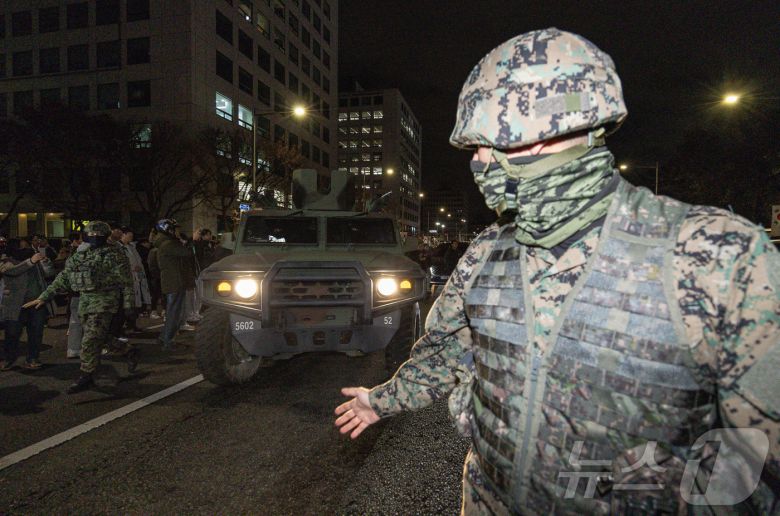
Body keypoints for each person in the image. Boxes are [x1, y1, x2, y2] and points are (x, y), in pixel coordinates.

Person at [335, 29, 780, 514]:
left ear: (540, 131)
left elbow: (759, 463)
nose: (477, 163)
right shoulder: (488, 252)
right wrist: (382, 400)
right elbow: (445, 352)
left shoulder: (715, 256)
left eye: (482, 145)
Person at [23, 221, 139, 393]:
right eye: (91, 235)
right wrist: (44, 297)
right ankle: (127, 350)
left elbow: (126, 282)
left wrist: (129, 306)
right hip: (84, 301)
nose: (94, 238)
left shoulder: (114, 254)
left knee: (90, 339)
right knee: (98, 336)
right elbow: (64, 277)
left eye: (97, 235)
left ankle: (87, 375)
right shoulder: (80, 255)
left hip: (105, 301)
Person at [0, 246, 55, 371]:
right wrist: (30, 261)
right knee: (12, 333)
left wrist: (45, 262)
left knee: (36, 332)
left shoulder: (35, 260)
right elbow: (12, 271)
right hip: (15, 304)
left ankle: (32, 358)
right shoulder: (6, 261)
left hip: (36, 302)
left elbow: (49, 273)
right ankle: (9, 359)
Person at [152, 219, 195, 350]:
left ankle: (164, 338)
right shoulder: (169, 244)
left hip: (173, 281)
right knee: (174, 313)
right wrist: (190, 241)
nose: (178, 232)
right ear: (168, 230)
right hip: (175, 282)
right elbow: (188, 252)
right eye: (175, 229)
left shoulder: (164, 242)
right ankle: (168, 341)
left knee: (173, 311)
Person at [119, 227, 151, 332]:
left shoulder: (131, 247)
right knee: (128, 304)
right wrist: (132, 268)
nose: (131, 238)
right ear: (123, 235)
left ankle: (132, 324)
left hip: (137, 278)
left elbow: (138, 262)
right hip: (127, 279)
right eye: (129, 235)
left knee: (136, 303)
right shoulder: (119, 248)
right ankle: (125, 325)